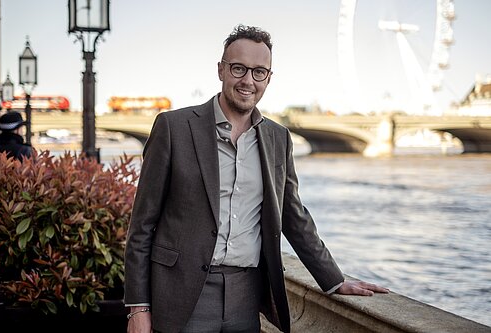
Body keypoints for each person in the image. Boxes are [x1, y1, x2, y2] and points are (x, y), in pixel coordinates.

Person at [124, 24, 389, 333]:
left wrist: (334, 279)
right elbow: (141, 225)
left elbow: (293, 216)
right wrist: (138, 307)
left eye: (259, 72)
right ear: (221, 70)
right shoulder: (174, 127)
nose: (248, 80)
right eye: (238, 69)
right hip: (181, 291)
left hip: (246, 295)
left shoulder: (279, 138)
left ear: (268, 78)